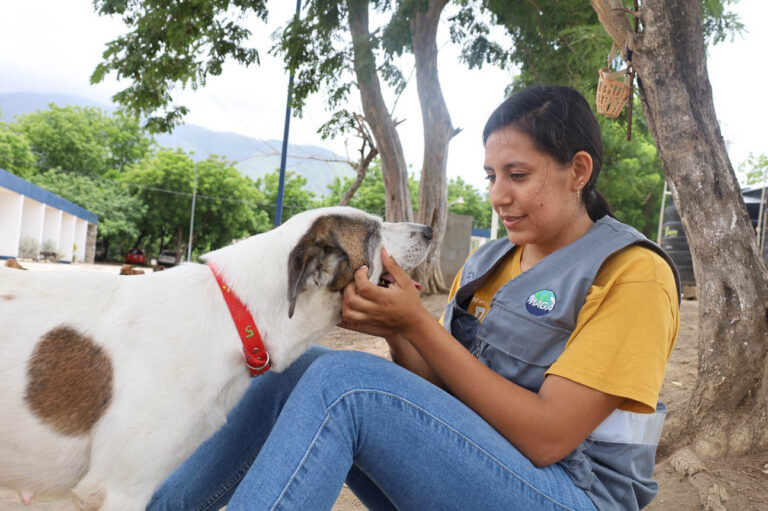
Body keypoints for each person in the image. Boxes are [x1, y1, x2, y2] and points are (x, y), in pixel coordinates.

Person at [148, 85, 680, 511]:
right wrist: (395, 328)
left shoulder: (633, 274)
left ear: (578, 171)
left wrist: (417, 326)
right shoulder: (490, 262)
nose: (499, 195)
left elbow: (546, 439)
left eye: (518, 175)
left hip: (571, 493)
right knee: (297, 369)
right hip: (487, 467)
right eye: (492, 176)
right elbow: (444, 395)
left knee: (344, 386)